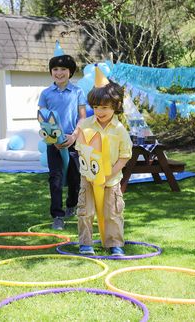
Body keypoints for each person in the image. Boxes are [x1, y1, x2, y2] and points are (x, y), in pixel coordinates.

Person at [75, 65, 132, 256]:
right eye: (96, 107)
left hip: (111, 179)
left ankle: (114, 244)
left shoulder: (119, 129)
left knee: (113, 212)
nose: (99, 111)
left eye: (104, 107)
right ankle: (86, 243)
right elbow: (81, 151)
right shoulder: (86, 125)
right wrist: (91, 173)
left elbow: (125, 155)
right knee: (86, 210)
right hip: (89, 178)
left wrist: (110, 173)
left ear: (115, 106)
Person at [38, 42, 86, 230]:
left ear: (70, 72)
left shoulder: (77, 92)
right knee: (55, 179)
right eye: (55, 69)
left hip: (73, 141)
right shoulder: (45, 94)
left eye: (63, 69)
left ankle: (71, 205)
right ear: (51, 72)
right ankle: (57, 215)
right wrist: (53, 139)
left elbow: (82, 117)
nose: (59, 73)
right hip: (53, 143)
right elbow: (42, 117)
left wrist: (74, 136)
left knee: (75, 178)